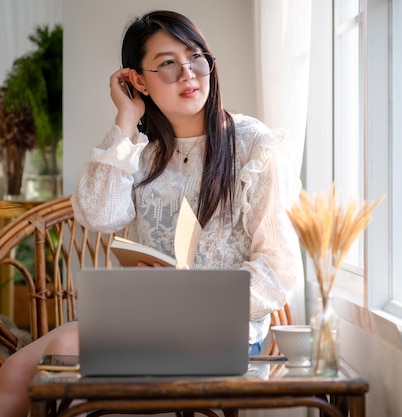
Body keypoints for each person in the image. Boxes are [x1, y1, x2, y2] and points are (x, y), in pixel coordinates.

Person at [0, 10, 303, 417]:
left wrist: (190, 292)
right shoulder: (142, 151)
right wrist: (126, 120)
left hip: (220, 331)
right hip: (145, 321)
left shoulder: (253, 146)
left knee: (63, 351)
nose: (188, 74)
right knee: (14, 374)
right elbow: (97, 215)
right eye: (167, 64)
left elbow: (279, 269)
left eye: (196, 58)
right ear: (137, 81)